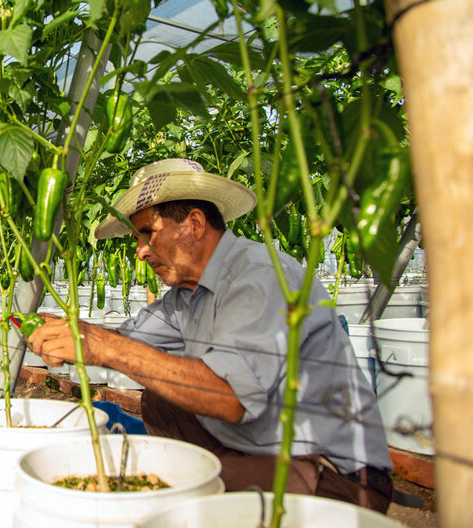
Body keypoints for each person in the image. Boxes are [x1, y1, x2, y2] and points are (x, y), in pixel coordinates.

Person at [27, 158, 393, 512]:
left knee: (174, 497)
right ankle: (227, 476)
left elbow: (231, 398)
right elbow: (127, 339)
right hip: (260, 442)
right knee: (162, 401)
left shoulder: (260, 277)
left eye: (147, 234)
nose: (139, 251)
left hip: (334, 470)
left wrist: (104, 347)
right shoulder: (186, 296)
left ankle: (233, 491)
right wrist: (72, 335)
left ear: (194, 225)